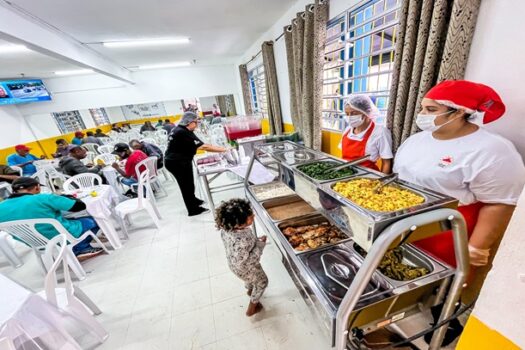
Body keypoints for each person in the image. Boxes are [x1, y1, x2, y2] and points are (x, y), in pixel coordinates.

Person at [393, 80, 525, 303]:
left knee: (445, 285)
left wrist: (477, 247)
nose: (423, 115)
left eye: (431, 110)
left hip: (449, 230)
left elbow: (501, 202)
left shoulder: (492, 149)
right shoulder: (416, 141)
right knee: (407, 274)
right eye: (423, 108)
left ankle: (443, 317)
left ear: (460, 112)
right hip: (404, 221)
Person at [0, 177, 104, 260]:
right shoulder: (42, 198)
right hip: (60, 237)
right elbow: (79, 206)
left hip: (35, 243)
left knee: (65, 222)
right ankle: (81, 248)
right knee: (92, 220)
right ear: (37, 187)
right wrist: (67, 197)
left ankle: (71, 250)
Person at [164, 112, 226, 216]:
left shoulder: (180, 129)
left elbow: (199, 143)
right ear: (189, 122)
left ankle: (193, 200)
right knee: (186, 186)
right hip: (177, 163)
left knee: (189, 183)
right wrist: (224, 150)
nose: (197, 124)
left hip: (178, 161)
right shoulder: (182, 132)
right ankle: (192, 209)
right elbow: (203, 147)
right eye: (196, 122)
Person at [215, 198, 268, 316]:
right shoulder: (242, 240)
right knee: (262, 282)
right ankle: (252, 308)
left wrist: (253, 242)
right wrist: (260, 245)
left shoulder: (227, 229)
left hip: (233, 264)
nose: (253, 215)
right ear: (239, 223)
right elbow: (249, 260)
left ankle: (250, 290)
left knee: (250, 279)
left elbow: (239, 251)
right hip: (245, 267)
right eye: (250, 217)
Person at [339, 95, 393, 173]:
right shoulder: (347, 130)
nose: (349, 117)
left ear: (366, 112)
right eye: (347, 114)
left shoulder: (380, 132)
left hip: (367, 177)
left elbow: (386, 162)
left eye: (354, 113)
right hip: (345, 173)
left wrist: (381, 182)